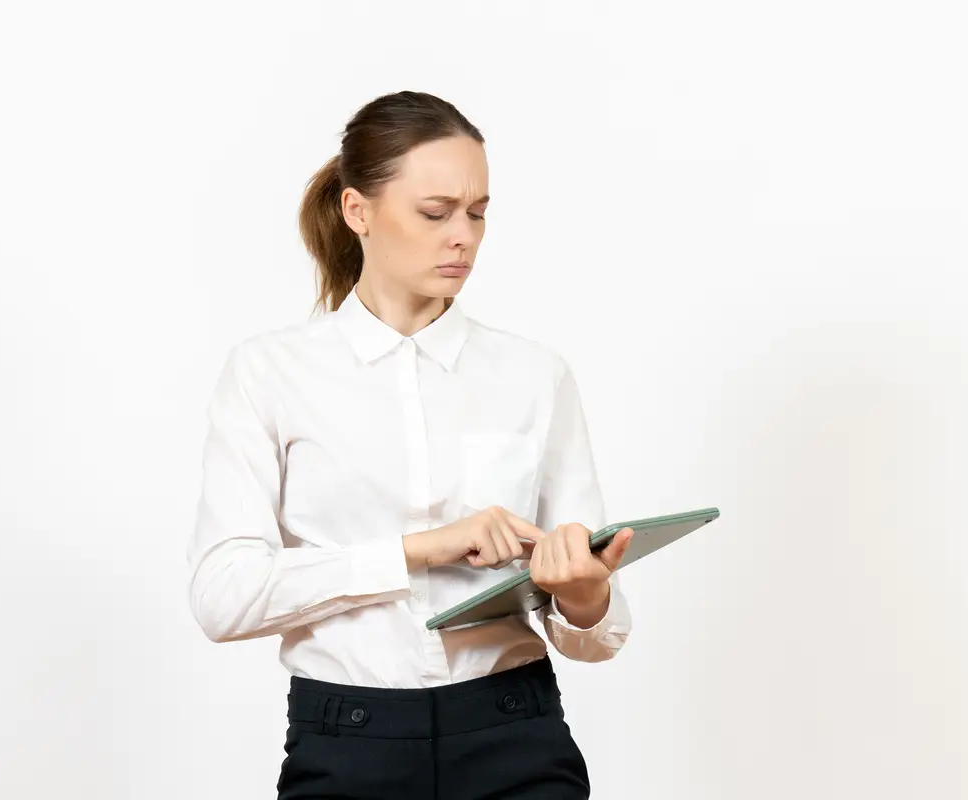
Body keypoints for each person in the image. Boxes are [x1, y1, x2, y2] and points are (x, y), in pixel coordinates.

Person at [186, 90, 635, 800]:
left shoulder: (534, 375)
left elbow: (596, 636)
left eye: (478, 213)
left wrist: (584, 592)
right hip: (347, 739)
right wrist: (417, 550)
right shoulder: (268, 374)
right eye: (435, 212)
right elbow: (223, 599)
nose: (463, 236)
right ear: (357, 210)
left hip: (514, 730)